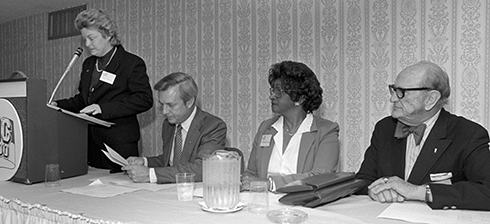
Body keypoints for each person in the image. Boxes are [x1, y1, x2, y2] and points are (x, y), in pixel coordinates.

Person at [356, 61, 490, 210]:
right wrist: (375, 190)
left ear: (430, 99)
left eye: (401, 92)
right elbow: (362, 181)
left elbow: (487, 191)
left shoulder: (468, 134)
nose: (392, 99)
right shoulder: (385, 128)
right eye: (393, 90)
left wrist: (418, 192)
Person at [52, 9, 153, 173]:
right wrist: (58, 104)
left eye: (91, 38)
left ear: (108, 35)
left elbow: (144, 99)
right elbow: (83, 101)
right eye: (84, 39)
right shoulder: (88, 64)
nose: (87, 44)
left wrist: (103, 108)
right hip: (90, 143)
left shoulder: (131, 63)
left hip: (119, 143)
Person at [241, 61, 340, 192]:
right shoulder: (266, 128)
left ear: (300, 98)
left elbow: (320, 178)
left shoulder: (326, 131)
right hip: (263, 206)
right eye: (272, 90)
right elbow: (252, 173)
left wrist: (270, 184)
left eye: (278, 91)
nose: (271, 96)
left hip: (304, 208)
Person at [122, 72, 227, 183]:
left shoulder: (213, 126)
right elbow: (172, 160)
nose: (164, 111)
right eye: (162, 104)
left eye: (171, 105)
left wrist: (150, 174)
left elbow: (203, 168)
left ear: (189, 101)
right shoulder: (168, 125)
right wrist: (145, 162)